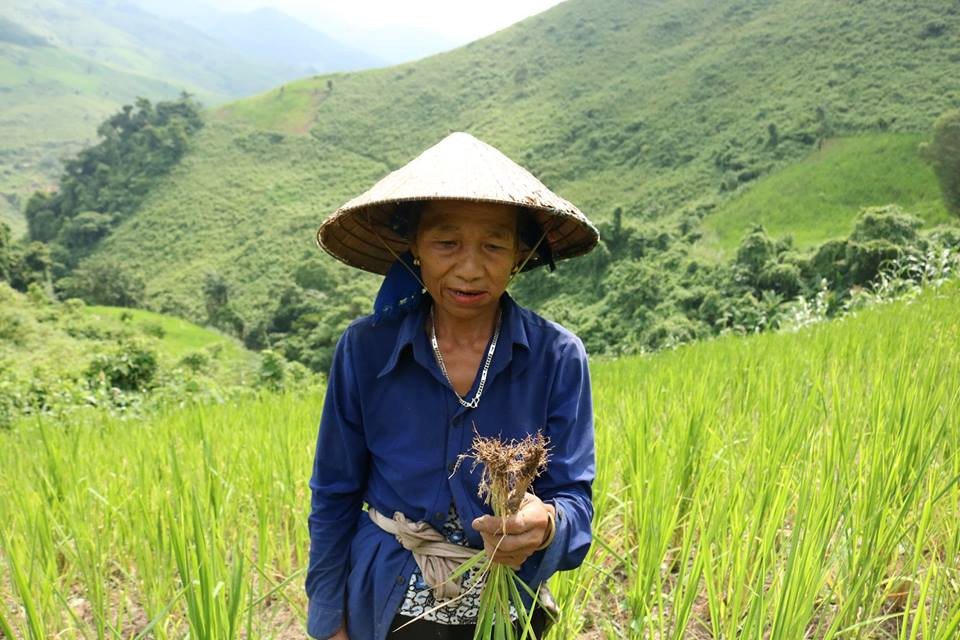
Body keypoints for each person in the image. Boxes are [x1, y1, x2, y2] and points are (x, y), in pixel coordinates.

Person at [306, 132, 599, 640]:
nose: (469, 267)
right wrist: (328, 621)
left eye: (493, 244)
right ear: (414, 248)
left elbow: (575, 498)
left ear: (520, 254)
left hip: (505, 608)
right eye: (446, 243)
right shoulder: (364, 350)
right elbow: (334, 495)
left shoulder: (557, 357)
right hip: (385, 601)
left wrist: (544, 524)